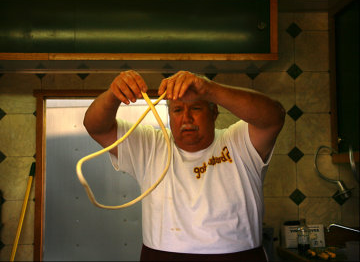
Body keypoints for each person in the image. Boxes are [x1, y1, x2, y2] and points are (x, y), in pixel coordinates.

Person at [83, 70, 285, 261]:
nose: (186, 118)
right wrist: (113, 94)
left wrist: (209, 89)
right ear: (169, 116)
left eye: (196, 108)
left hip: (239, 256)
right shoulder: (150, 144)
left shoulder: (239, 141)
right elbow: (95, 127)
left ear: (214, 113)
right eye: (178, 110)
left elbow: (274, 116)